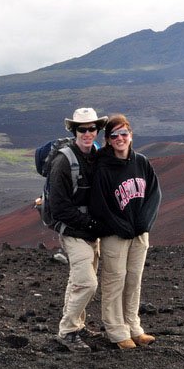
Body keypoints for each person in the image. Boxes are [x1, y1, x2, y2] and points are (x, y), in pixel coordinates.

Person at [89, 114, 162, 350]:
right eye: (114, 135)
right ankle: (116, 331)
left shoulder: (141, 162)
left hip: (139, 234)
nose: (120, 138)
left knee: (133, 279)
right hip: (114, 235)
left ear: (131, 135)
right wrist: (119, 225)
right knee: (114, 280)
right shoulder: (103, 168)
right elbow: (100, 204)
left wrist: (144, 223)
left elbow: (154, 194)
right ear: (108, 140)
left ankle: (133, 327)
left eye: (124, 133)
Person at [49, 107, 107, 352]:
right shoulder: (64, 161)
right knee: (87, 283)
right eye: (82, 129)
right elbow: (59, 206)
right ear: (74, 130)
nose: (87, 133)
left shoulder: (95, 155)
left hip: (91, 232)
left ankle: (77, 326)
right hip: (73, 231)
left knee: (78, 280)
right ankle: (68, 330)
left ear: (97, 130)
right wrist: (90, 224)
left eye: (92, 128)